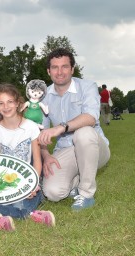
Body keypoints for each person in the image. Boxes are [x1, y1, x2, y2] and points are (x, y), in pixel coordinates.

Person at [37, 48, 111, 211]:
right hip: (65, 150)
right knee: (53, 192)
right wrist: (46, 155)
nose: (60, 72)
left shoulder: (87, 86)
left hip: (94, 148)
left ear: (72, 69)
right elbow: (40, 132)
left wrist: (60, 128)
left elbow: (91, 118)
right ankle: (76, 183)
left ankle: (86, 194)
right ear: (48, 71)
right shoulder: (44, 96)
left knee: (83, 133)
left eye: (64, 66)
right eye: (55, 67)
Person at [0, 83, 43, 214]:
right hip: (6, 181)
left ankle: (36, 197)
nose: (6, 107)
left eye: (10, 102)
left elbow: (37, 161)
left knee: (19, 206)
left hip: (28, 179)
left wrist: (32, 185)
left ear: (18, 103)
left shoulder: (31, 127)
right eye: (1, 103)